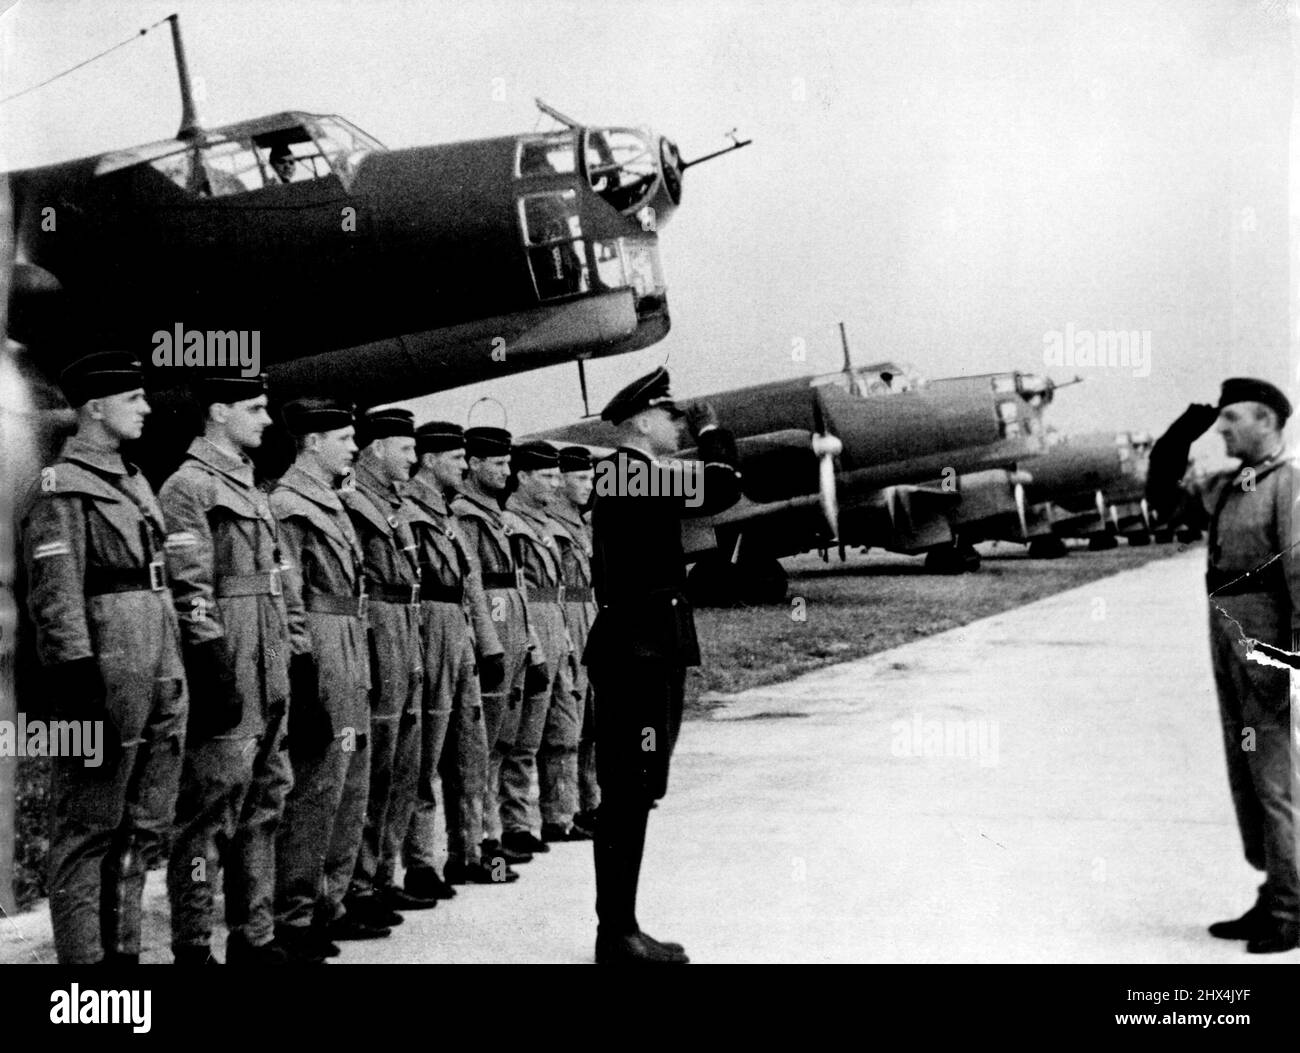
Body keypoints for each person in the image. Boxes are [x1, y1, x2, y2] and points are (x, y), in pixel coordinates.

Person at [22, 351, 188, 965]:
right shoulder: (61, 487)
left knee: (144, 824)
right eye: (133, 397)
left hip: (158, 659)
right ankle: (86, 976)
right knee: (88, 827)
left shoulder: (135, 480)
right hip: (107, 670)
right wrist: (74, 674)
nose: (146, 406)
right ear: (96, 408)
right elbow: (56, 591)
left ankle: (123, 961)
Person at [584, 366, 741, 964]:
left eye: (684, 419)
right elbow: (725, 485)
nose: (679, 426)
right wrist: (714, 427)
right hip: (637, 653)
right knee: (629, 789)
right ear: (644, 420)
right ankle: (617, 935)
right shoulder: (626, 474)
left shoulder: (637, 475)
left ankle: (621, 930)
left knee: (637, 788)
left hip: (647, 648)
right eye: (672, 417)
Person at [1146, 377, 1300, 954]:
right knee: (1248, 773)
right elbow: (1168, 506)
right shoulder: (1235, 484)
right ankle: (1275, 890)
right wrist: (1172, 445)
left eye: (1233, 417)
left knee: (1275, 778)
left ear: (1268, 421)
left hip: (1266, 651)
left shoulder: (1288, 485)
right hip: (1229, 639)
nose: (1223, 427)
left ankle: (1291, 906)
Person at [160, 372, 293, 965]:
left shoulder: (250, 484)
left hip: (270, 663)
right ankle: (192, 945)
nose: (266, 421)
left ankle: (254, 935)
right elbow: (190, 587)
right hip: (231, 661)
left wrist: (298, 651)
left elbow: (278, 578)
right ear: (218, 412)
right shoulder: (187, 487)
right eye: (255, 408)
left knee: (266, 801)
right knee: (209, 814)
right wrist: (211, 662)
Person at [271, 397, 384, 962]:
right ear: (312, 442)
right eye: (343, 438)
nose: (353, 447)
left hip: (350, 636)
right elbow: (288, 592)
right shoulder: (289, 503)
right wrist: (302, 663)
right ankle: (295, 912)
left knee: (352, 777)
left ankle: (332, 902)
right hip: (322, 641)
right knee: (319, 785)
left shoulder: (333, 502)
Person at [404, 421, 518, 886]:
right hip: (431, 635)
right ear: (430, 460)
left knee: (471, 753)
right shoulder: (408, 511)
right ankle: (418, 865)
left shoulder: (449, 517)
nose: (462, 465)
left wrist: (489, 646)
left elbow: (471, 586)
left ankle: (470, 854)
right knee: (425, 756)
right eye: (455, 458)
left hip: (462, 639)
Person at [340, 408, 441, 925]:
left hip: (408, 627)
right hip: (379, 630)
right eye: (405, 448)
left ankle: (381, 876)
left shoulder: (392, 504)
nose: (414, 458)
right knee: (374, 767)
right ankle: (355, 883)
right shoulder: (355, 504)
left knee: (403, 764)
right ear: (377, 449)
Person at [451, 426, 537, 871]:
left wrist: (532, 647)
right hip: (494, 621)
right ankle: (483, 837)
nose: (507, 472)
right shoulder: (467, 515)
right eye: (499, 464)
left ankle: (501, 829)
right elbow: (474, 585)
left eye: (508, 464)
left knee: (507, 736)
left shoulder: (491, 512)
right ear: (475, 465)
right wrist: (489, 644)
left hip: (512, 618)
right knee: (482, 742)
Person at [501, 442, 577, 854]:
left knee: (564, 728)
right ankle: (515, 824)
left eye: (555, 475)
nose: (554, 483)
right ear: (523, 477)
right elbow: (519, 587)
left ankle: (558, 817)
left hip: (559, 626)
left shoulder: (544, 523)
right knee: (525, 735)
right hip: (532, 628)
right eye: (545, 476)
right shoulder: (511, 523)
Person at [551, 446, 600, 839]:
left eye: (590, 478)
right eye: (581, 478)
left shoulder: (584, 525)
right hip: (567, 621)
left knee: (594, 722)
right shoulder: (551, 524)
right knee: (568, 725)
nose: (589, 485)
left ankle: (591, 804)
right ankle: (561, 814)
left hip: (591, 618)